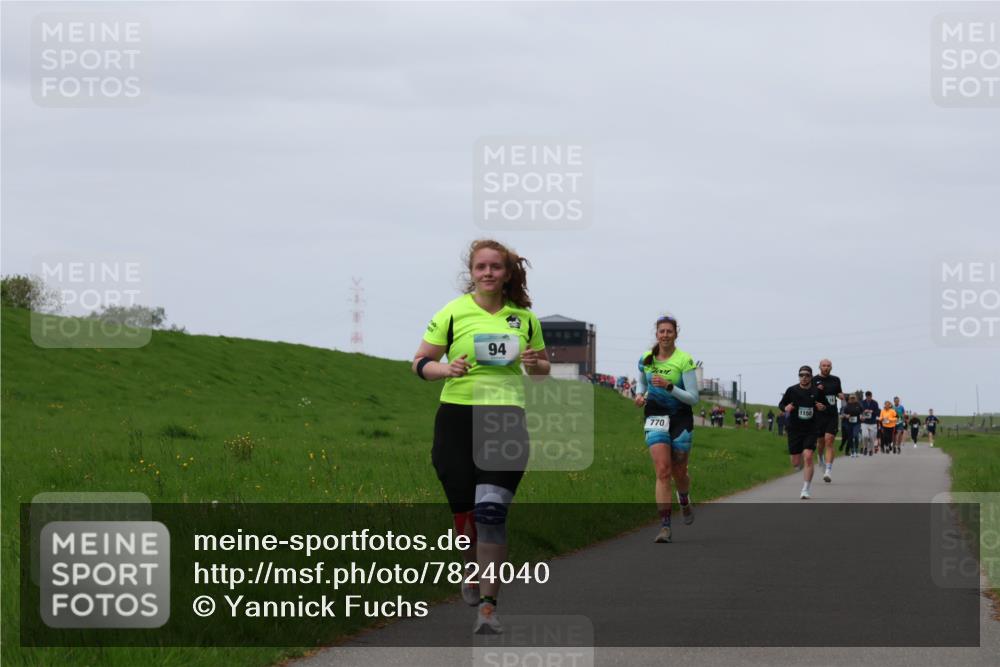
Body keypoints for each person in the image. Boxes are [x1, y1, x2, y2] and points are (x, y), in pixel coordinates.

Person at [412, 239, 549, 634]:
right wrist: (446, 370)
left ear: (507, 274)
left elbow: (541, 369)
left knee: (491, 511)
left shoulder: (524, 319)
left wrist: (534, 362)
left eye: (495, 267)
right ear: (471, 273)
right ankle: (469, 569)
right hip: (456, 418)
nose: (488, 273)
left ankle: (488, 608)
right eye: (480, 267)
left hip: (505, 418)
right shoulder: (452, 314)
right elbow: (420, 363)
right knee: (465, 512)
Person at [634, 314, 700, 543]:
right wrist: (639, 395)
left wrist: (670, 386)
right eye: (661, 331)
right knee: (662, 470)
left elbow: (693, 398)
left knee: (679, 472)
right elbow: (641, 382)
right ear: (656, 334)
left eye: (669, 331)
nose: (665, 335)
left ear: (675, 334)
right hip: (655, 415)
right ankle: (664, 527)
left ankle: (684, 499)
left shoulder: (684, 360)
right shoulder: (646, 358)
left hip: (680, 417)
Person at [779, 365, 829, 499]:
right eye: (801, 375)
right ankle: (799, 461)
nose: (804, 377)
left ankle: (806, 489)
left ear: (811, 376)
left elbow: (826, 407)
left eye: (807, 375)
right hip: (794, 429)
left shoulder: (817, 391)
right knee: (795, 462)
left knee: (808, 456)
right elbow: (781, 404)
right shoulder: (792, 390)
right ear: (798, 376)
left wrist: (822, 407)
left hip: (811, 429)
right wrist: (786, 407)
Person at [812, 359, 845, 482]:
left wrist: (840, 395)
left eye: (828, 366)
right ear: (819, 367)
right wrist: (815, 404)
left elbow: (838, 392)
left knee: (829, 441)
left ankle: (828, 471)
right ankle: (820, 456)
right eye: (824, 366)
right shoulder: (814, 380)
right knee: (820, 443)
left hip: (832, 415)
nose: (826, 367)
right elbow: (809, 397)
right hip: (818, 416)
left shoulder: (836, 379)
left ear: (831, 367)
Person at [860, 391, 880, 456]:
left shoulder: (875, 403)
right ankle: (865, 447)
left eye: (870, 396)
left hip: (873, 422)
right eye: (867, 396)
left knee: (872, 438)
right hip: (864, 422)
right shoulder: (862, 402)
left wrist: (872, 411)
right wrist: (864, 411)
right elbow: (859, 411)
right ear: (866, 396)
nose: (869, 398)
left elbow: (877, 412)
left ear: (871, 396)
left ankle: (871, 450)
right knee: (865, 436)